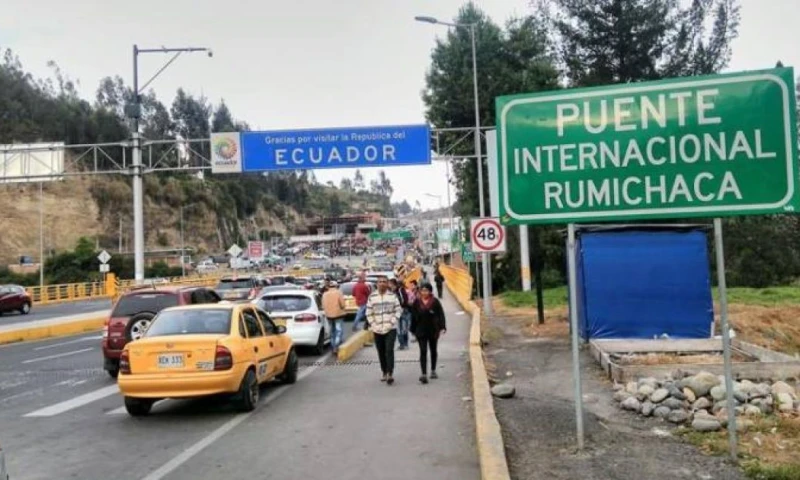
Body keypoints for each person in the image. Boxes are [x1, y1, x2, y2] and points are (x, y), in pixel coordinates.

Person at [366, 275, 401, 385]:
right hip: (377, 329)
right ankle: (384, 372)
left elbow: (398, 311)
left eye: (384, 282)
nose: (382, 283)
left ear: (387, 284)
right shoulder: (372, 297)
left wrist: (392, 322)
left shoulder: (393, 296)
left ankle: (390, 373)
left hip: (390, 328)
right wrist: (373, 324)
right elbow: (368, 313)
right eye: (380, 282)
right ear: (377, 284)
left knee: (389, 350)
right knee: (381, 351)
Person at [411, 282, 446, 384]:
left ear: (430, 291)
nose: (424, 292)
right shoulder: (416, 302)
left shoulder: (435, 302)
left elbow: (441, 314)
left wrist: (442, 327)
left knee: (433, 350)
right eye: (422, 290)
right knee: (423, 351)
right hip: (420, 330)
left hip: (433, 330)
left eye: (426, 290)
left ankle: (433, 370)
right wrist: (413, 330)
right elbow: (413, 317)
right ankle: (423, 374)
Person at [321, 280, 346, 355]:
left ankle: (333, 347)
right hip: (338, 315)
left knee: (332, 332)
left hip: (329, 315)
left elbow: (323, 306)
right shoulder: (338, 293)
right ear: (336, 286)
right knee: (339, 331)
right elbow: (343, 305)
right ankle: (336, 346)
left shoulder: (325, 294)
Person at [390, 278, 411, 350]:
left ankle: (404, 344)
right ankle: (403, 344)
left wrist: (401, 307)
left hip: (402, 311)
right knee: (401, 329)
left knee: (402, 329)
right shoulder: (395, 291)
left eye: (390, 284)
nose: (390, 286)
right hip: (400, 311)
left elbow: (404, 300)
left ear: (394, 284)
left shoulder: (399, 291)